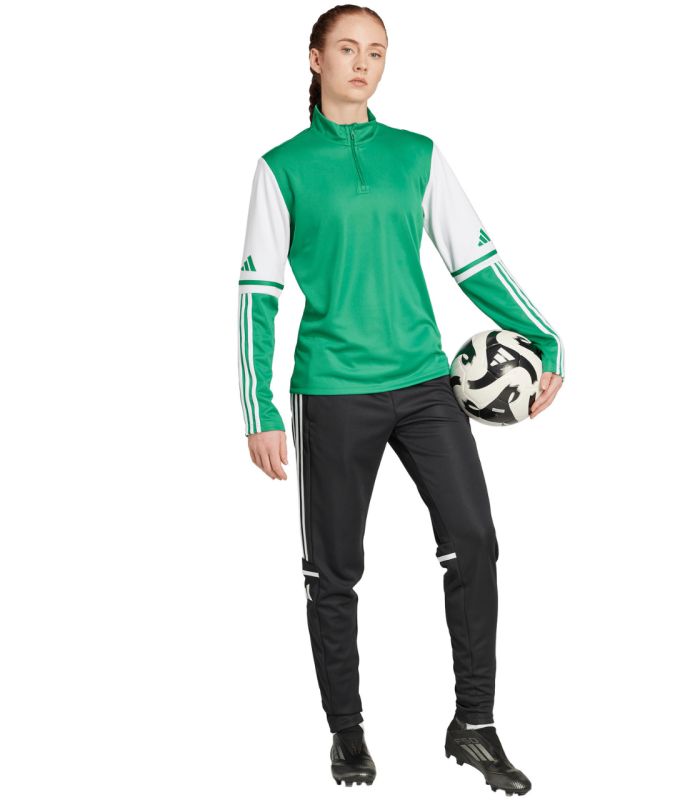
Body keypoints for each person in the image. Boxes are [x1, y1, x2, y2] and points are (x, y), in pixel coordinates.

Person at [237, 5, 564, 793]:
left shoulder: (416, 155)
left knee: (474, 541)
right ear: (315, 58)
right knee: (333, 571)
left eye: (377, 52)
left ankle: (474, 725)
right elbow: (257, 294)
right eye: (348, 48)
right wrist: (260, 410)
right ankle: (346, 734)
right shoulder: (281, 167)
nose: (363, 63)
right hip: (332, 391)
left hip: (424, 384)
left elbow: (475, 259)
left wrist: (544, 338)